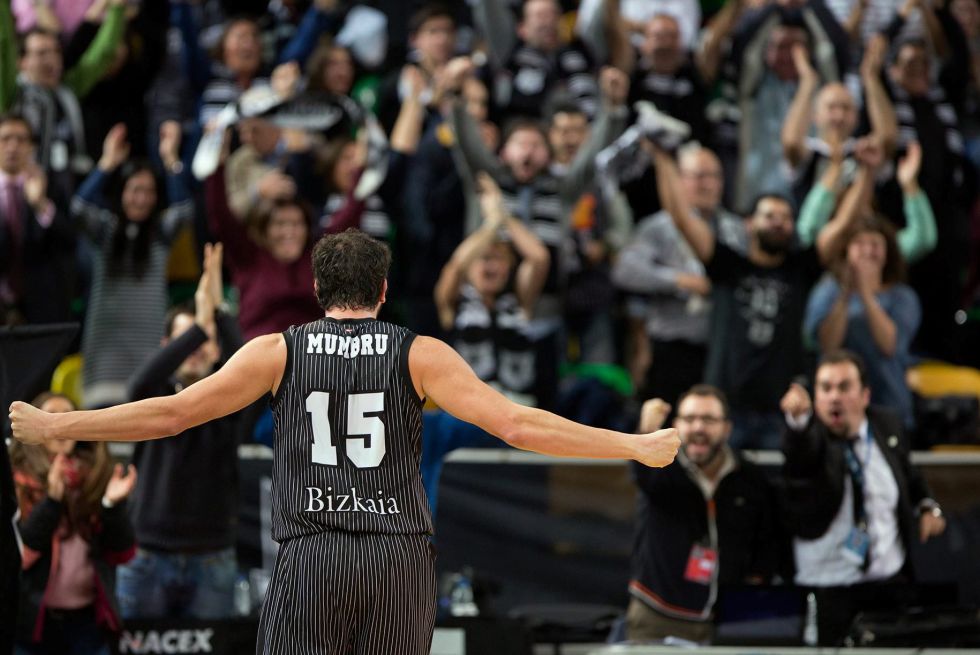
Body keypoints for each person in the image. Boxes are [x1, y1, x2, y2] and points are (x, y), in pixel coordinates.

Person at [9, 228, 681, 655]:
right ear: (384, 291)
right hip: (398, 556)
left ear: (316, 290)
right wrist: (632, 444)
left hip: (314, 553)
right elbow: (518, 426)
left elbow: (173, 414)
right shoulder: (421, 353)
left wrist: (60, 424)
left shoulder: (278, 350)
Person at [115, 245, 247, 620]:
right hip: (147, 551)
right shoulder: (152, 394)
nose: (196, 349)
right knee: (135, 645)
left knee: (213, 646)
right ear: (169, 347)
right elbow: (138, 384)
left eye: (205, 342)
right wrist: (200, 328)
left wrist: (218, 310)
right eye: (186, 340)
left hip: (212, 555)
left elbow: (243, 362)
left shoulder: (230, 402)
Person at [780, 350, 946, 646]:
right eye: (825, 388)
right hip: (827, 586)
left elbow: (911, 478)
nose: (834, 397)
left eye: (844, 387)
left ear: (865, 395)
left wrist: (927, 507)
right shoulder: (810, 439)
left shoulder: (887, 425)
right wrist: (799, 421)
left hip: (889, 583)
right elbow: (800, 459)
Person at [628, 388, 782, 643]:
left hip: (728, 619)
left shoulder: (749, 477)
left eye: (708, 419)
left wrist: (754, 587)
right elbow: (641, 471)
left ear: (727, 428)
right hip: (657, 616)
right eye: (689, 419)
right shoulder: (661, 468)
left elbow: (765, 539)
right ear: (676, 425)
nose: (698, 427)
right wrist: (645, 431)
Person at [70, 121, 192, 408]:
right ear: (122, 192)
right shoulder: (106, 230)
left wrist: (170, 159)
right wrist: (107, 163)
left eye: (148, 191)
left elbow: (185, 211)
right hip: (105, 355)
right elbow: (79, 208)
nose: (141, 198)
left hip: (147, 350)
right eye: (134, 189)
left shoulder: (160, 233)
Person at [9, 392, 136, 655]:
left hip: (88, 623)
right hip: (32, 623)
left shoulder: (96, 477)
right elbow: (19, 555)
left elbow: (122, 552)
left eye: (67, 415)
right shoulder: (17, 481)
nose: (58, 423)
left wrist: (112, 505)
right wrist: (52, 501)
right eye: (50, 415)